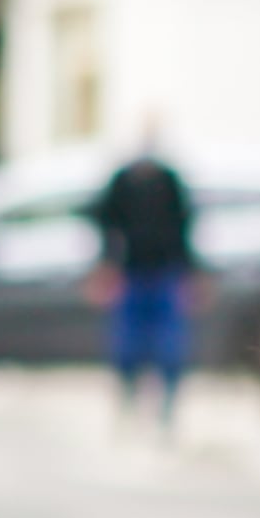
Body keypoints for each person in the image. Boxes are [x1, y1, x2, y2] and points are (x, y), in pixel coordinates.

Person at [87, 127, 199, 424]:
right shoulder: (123, 182)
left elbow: (185, 229)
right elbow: (106, 226)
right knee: (128, 343)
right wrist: (107, 266)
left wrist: (191, 273)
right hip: (132, 271)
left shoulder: (169, 181)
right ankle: (129, 398)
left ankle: (166, 405)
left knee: (168, 344)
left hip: (164, 271)